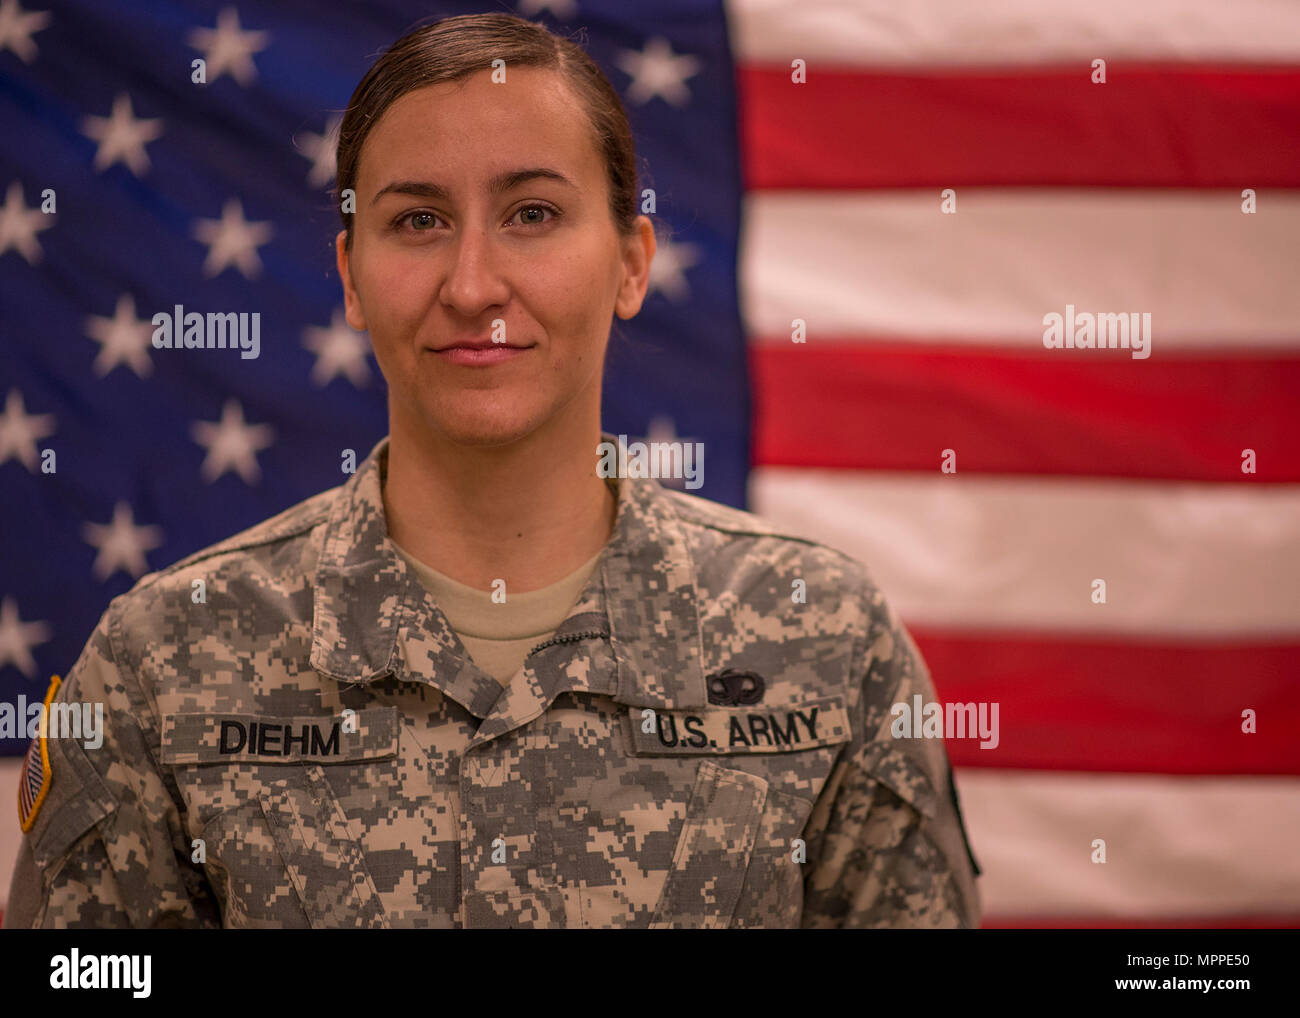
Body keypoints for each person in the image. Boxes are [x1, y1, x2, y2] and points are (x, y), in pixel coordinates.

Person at [4, 12, 980, 929]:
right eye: (418, 222)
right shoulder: (163, 662)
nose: (473, 285)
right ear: (349, 275)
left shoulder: (826, 639)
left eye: (533, 213)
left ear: (632, 263)